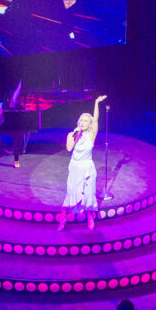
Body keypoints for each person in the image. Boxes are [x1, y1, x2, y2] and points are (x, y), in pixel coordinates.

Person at [57, 94, 108, 231]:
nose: (83, 122)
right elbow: (69, 148)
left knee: (89, 193)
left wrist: (96, 103)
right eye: (81, 120)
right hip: (75, 168)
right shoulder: (71, 134)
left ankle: (90, 219)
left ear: (89, 124)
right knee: (71, 194)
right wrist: (75, 133)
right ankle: (63, 220)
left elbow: (96, 119)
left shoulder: (91, 135)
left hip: (87, 168)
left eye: (86, 121)